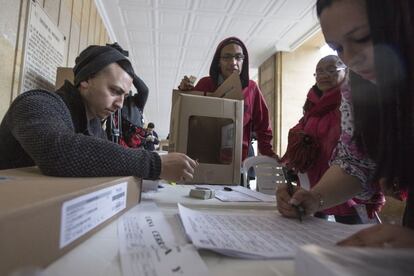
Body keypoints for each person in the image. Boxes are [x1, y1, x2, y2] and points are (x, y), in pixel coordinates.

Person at [277, 0, 414, 247]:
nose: (350, 59)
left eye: (362, 37)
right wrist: (314, 197)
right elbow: (356, 162)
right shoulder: (357, 86)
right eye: (338, 48)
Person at [0, 44, 197, 182]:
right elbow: (58, 152)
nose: (120, 104)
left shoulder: (94, 126)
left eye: (125, 96)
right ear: (85, 80)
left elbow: (104, 160)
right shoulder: (35, 103)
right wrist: (155, 164)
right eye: (115, 91)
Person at [281, 55, 384, 224]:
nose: (323, 75)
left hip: (344, 178)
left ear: (347, 71)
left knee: (349, 223)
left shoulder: (354, 101)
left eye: (331, 69)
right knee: (312, 224)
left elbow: (359, 152)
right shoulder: (312, 104)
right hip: (316, 175)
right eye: (319, 71)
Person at [179, 37, 277, 162]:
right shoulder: (205, 84)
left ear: (243, 61)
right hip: (202, 158)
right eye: (227, 57)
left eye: (238, 57)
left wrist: (268, 154)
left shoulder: (251, 89)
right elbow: (188, 117)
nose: (233, 62)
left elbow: (263, 126)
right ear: (218, 62)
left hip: (237, 161)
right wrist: (186, 92)